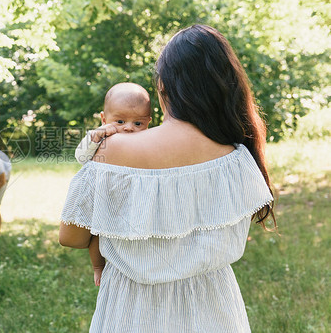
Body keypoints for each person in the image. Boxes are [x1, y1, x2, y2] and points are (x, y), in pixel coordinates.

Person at [60, 24, 277, 332]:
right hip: (214, 306)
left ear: (162, 86)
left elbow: (71, 236)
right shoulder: (237, 154)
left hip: (134, 308)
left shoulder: (115, 148)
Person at [74, 82, 152, 286]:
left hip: (132, 196)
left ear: (149, 123)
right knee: (98, 234)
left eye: (138, 123)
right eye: (120, 120)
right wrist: (95, 137)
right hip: (105, 194)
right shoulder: (100, 137)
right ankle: (98, 267)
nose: (128, 127)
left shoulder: (148, 140)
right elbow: (81, 157)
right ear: (103, 119)